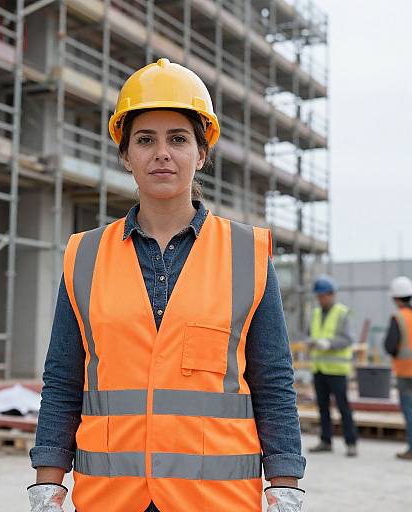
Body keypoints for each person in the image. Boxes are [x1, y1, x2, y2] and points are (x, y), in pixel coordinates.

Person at [28, 58, 306, 512]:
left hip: (215, 499)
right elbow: (62, 380)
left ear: (201, 154)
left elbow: (273, 380)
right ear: (125, 156)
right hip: (111, 497)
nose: (162, 153)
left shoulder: (247, 254)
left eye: (178, 139)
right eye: (145, 140)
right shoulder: (84, 256)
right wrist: (47, 484)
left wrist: (286, 483)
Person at [307, 276, 357, 457]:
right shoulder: (315, 314)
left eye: (322, 296)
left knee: (343, 407)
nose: (320, 299)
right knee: (322, 407)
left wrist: (328, 343)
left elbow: (348, 338)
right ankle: (325, 440)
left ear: (331, 295)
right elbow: (310, 333)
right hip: (319, 369)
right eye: (318, 296)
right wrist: (312, 342)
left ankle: (351, 443)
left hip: (337, 371)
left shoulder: (342, 313)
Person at [383, 275, 412, 460]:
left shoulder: (398, 317)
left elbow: (390, 346)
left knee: (409, 410)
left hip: (405, 372)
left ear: (396, 298)